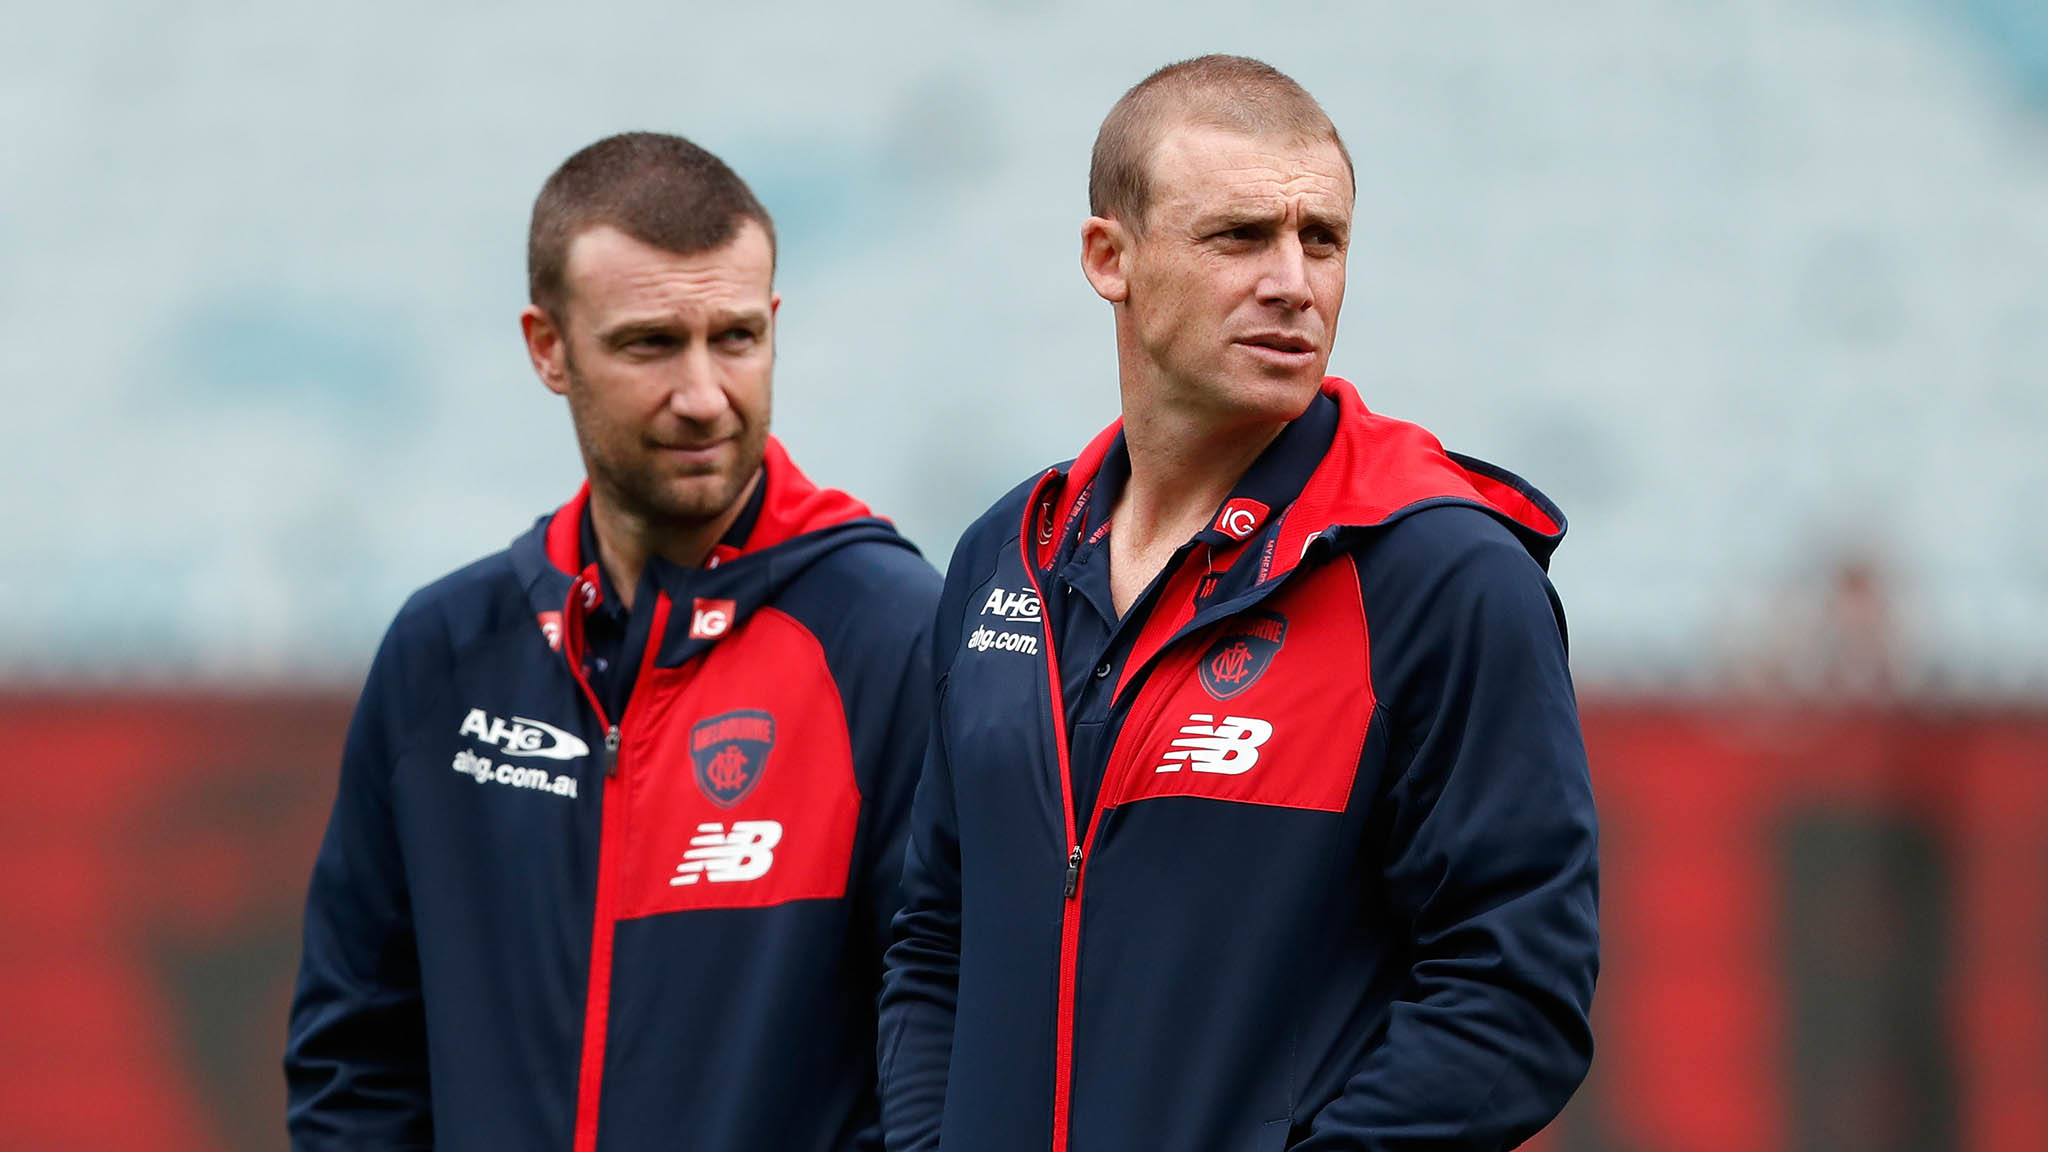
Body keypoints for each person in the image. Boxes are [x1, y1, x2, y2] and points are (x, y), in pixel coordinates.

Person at [878, 56, 1598, 1152]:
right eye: (1238, 237)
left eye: (1321, 240)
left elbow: (1514, 999)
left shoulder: (1440, 573)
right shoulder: (1001, 561)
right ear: (1107, 258)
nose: (1292, 282)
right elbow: (932, 942)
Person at [287, 132, 941, 1152]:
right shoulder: (442, 653)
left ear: (773, 326)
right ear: (547, 347)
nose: (702, 396)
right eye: (648, 345)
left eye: (734, 338)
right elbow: (356, 1058)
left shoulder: (890, 636)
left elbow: (943, 1047)